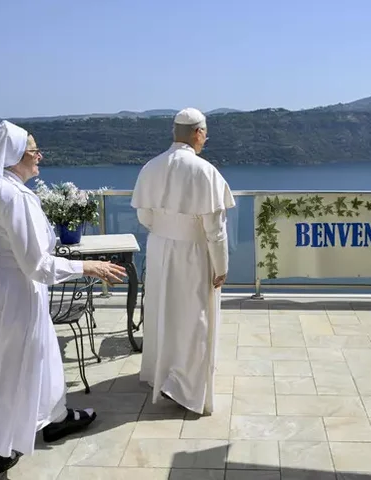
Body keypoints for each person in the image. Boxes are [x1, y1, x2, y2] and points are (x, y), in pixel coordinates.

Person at [0, 120, 126, 479]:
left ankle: (54, 417)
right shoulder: (13, 197)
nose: (39, 156)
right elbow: (37, 264)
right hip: (14, 300)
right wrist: (87, 266)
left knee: (37, 358)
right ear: (16, 155)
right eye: (33, 150)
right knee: (9, 372)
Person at [131, 107, 235, 415]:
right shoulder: (205, 172)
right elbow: (215, 231)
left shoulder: (150, 167)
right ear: (198, 133)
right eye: (205, 134)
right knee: (193, 317)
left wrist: (166, 231)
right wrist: (222, 266)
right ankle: (188, 387)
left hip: (160, 248)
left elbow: (144, 215)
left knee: (163, 311)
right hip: (192, 252)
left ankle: (160, 373)